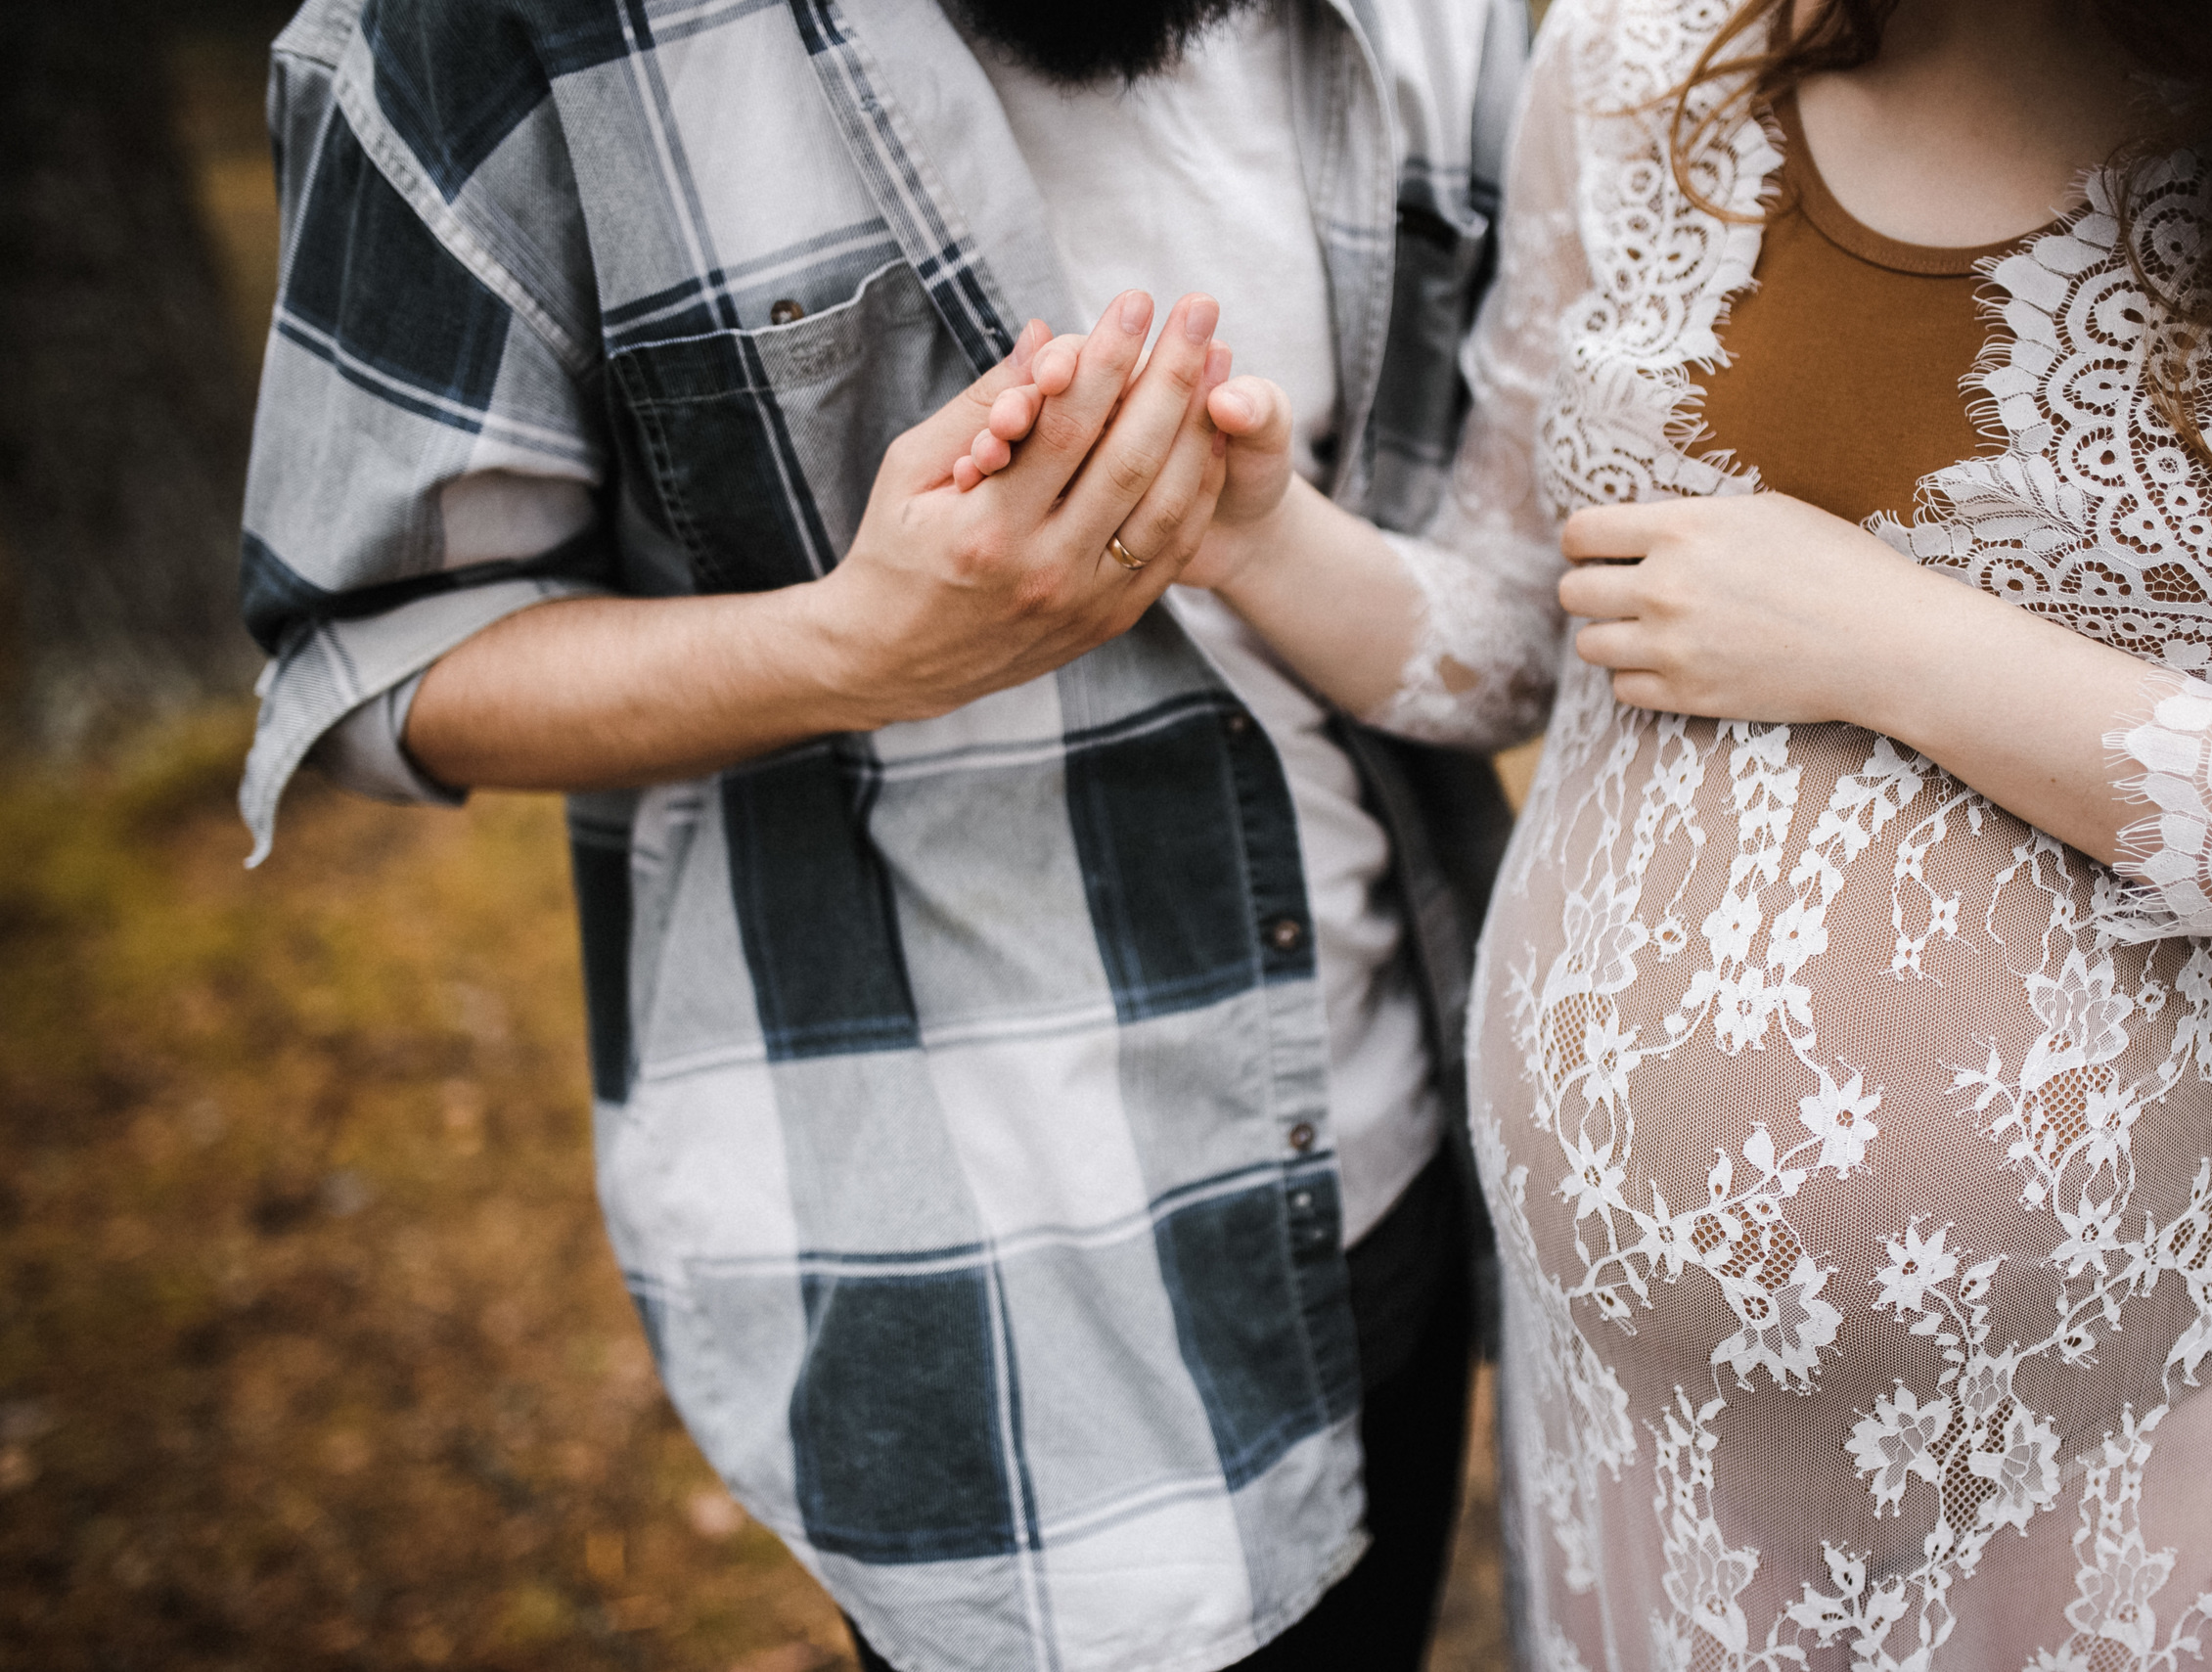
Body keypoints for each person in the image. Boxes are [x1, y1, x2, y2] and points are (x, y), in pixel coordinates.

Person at [992, 0, 2212, 1662]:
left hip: (2119, 1429)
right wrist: (1258, 530)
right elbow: (1515, 631)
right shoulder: (1637, 57)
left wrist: (1901, 647)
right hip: (1643, 1450)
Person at [232, 1, 1528, 1667]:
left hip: (1397, 1138)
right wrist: (851, 649)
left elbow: (1508, 571)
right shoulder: (478, 32)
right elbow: (375, 655)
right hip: (977, 1280)